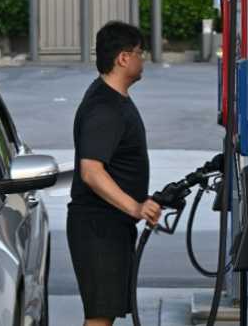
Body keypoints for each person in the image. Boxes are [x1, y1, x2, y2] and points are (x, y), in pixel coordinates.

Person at [67, 21, 161, 326]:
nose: (142, 59)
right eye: (139, 53)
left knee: (104, 314)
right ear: (123, 58)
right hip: (98, 227)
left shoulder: (111, 99)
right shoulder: (104, 107)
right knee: (99, 317)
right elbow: (91, 172)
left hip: (108, 226)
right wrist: (134, 206)